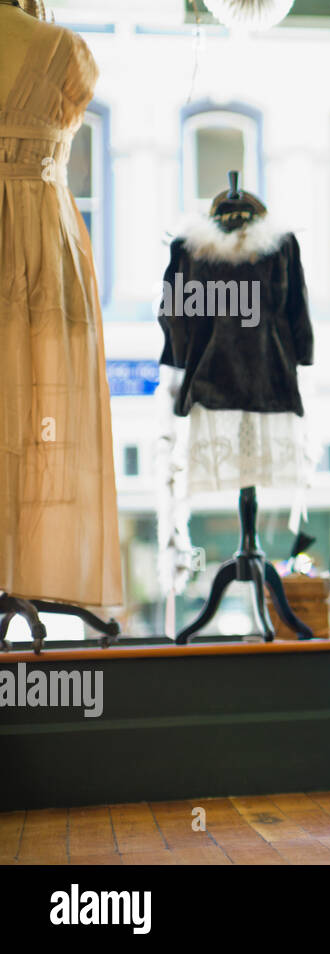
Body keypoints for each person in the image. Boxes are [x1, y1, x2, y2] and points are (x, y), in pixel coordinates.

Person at [0, 0, 124, 613]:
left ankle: (16, 572)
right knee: (37, 413)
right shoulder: (61, 49)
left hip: (38, 252)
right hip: (40, 246)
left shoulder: (58, 48)